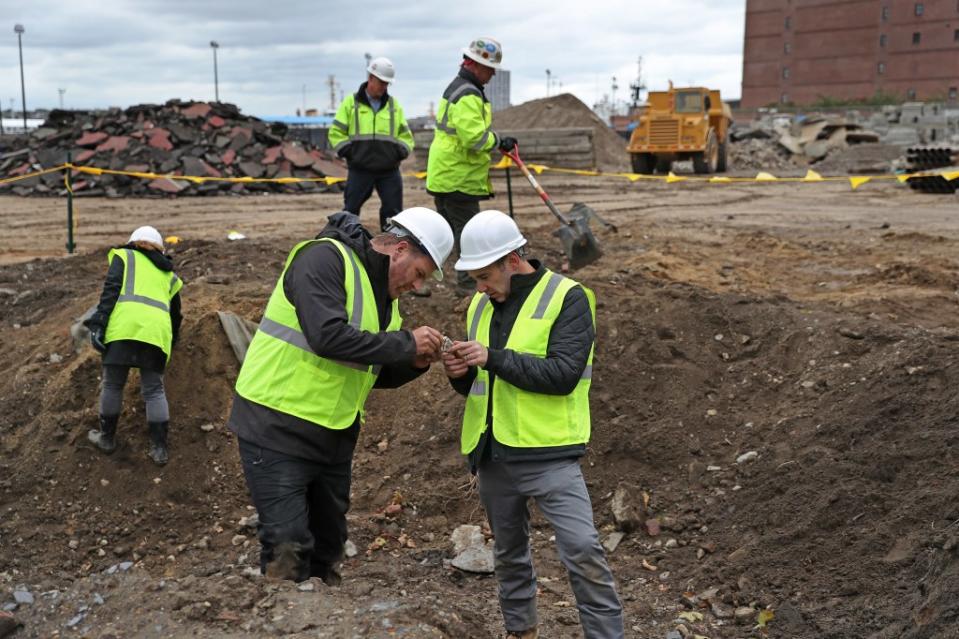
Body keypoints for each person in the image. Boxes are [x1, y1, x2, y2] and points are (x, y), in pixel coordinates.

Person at [228, 208, 453, 584]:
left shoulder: (385, 301)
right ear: (399, 249)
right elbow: (327, 337)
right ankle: (283, 612)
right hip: (276, 424)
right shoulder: (323, 259)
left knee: (328, 547)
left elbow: (369, 368)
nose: (417, 287)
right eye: (419, 274)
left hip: (331, 436)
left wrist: (416, 361)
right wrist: (404, 343)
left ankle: (322, 615)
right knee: (288, 543)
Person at [442, 211, 624, 639]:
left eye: (485, 276)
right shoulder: (480, 305)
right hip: (493, 453)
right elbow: (480, 385)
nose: (480, 287)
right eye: (474, 279)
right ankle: (521, 631)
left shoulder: (569, 297)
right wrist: (459, 374)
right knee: (508, 554)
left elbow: (562, 375)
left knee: (582, 549)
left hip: (550, 452)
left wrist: (492, 357)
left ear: (512, 259)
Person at [426, 37, 517, 296]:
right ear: (475, 65)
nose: (492, 74)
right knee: (467, 236)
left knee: (445, 235)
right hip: (459, 178)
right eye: (489, 69)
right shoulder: (468, 93)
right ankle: (467, 290)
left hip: (446, 174)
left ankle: (421, 274)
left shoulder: (459, 88)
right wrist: (500, 141)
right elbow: (474, 137)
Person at [85, 225, 183, 466]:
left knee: (113, 384)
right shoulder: (169, 275)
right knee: (154, 391)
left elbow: (110, 292)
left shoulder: (125, 257)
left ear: (133, 242)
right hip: (156, 335)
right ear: (160, 248)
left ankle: (107, 438)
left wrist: (98, 323)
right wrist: (173, 340)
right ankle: (159, 449)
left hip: (123, 330)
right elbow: (176, 314)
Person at [328, 56, 415, 232]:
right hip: (360, 169)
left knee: (394, 214)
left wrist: (398, 153)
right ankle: (346, 244)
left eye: (387, 84)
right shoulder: (350, 104)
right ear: (370, 78)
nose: (384, 87)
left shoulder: (393, 106)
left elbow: (406, 137)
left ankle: (391, 251)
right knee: (350, 211)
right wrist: (351, 152)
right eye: (381, 82)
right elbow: (335, 133)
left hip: (389, 171)